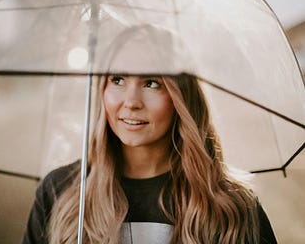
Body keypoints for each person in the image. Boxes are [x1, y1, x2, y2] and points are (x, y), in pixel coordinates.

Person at [22, 25, 277, 244]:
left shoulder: (232, 207)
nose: (131, 102)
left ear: (181, 97)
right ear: (101, 89)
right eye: (118, 79)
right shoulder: (59, 193)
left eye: (151, 83)